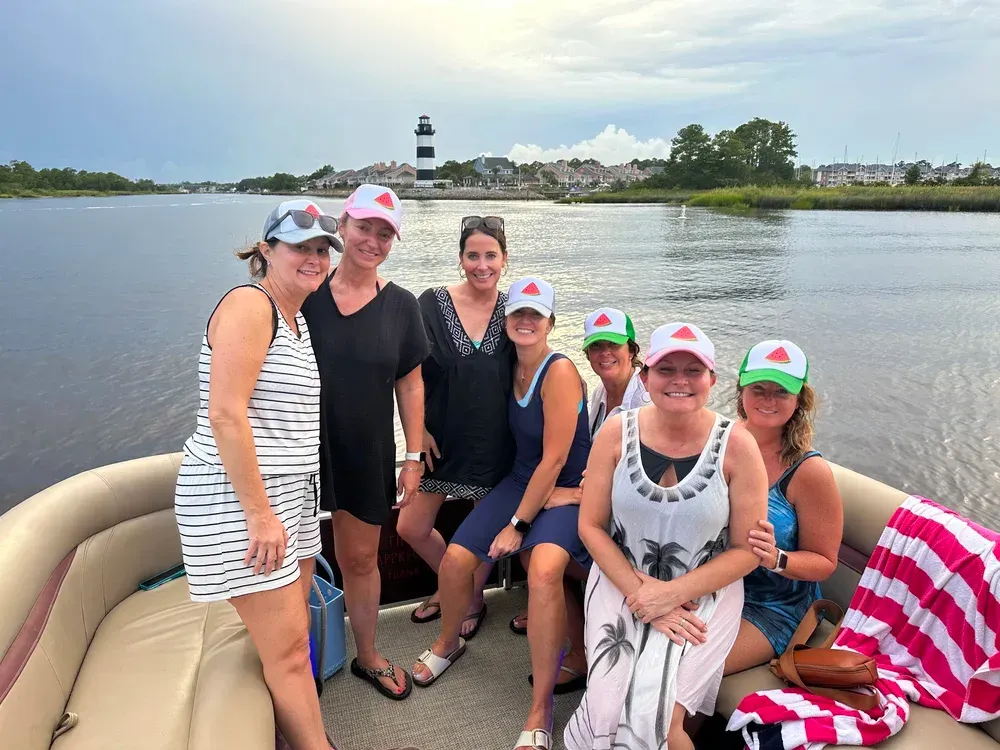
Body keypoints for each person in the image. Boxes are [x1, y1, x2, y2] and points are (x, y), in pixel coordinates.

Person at [173, 199, 340, 749]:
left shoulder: (295, 315)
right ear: (266, 250)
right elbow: (226, 414)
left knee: (292, 642)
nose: (314, 259)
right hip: (242, 505)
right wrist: (260, 515)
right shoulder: (251, 305)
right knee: (291, 652)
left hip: (285, 502)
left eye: (322, 249)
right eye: (300, 247)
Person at [565, 322, 768, 750]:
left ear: (712, 380)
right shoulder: (615, 433)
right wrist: (644, 596)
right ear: (645, 377)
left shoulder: (739, 446)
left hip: (704, 594)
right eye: (666, 369)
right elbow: (591, 526)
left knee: (655, 714)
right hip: (619, 582)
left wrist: (669, 594)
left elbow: (746, 551)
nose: (679, 381)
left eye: (693, 371)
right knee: (606, 706)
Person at [410, 277, 592, 750]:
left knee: (545, 570)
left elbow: (554, 460)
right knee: (454, 561)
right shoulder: (510, 365)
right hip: (518, 480)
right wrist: (423, 430)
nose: (526, 321)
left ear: (551, 322)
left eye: (536, 314)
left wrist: (517, 527)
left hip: (563, 488)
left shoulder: (559, 371)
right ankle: (449, 642)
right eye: (518, 314)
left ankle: (542, 708)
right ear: (506, 321)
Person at [300, 184, 429, 702]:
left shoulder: (400, 306)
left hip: (364, 449)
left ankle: (367, 655)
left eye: (384, 232)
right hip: (299, 452)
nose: (372, 240)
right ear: (342, 227)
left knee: (360, 561)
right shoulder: (304, 292)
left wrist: (414, 456)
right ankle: (298, 662)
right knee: (297, 562)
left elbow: (411, 383)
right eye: (363, 227)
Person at [398, 215, 516, 638]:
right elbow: (407, 373)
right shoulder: (430, 303)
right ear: (460, 259)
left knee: (480, 533)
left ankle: (469, 598)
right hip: (438, 440)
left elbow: (536, 367)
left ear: (504, 260)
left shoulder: (513, 310)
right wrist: (417, 433)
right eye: (473, 255)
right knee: (410, 527)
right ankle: (455, 583)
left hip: (495, 442)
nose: (481, 265)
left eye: (491, 255)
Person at [508, 306, 649, 636]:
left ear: (632, 349)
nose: (605, 354)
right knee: (532, 542)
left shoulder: (646, 407)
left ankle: (574, 642)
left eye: (614, 345)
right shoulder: (599, 395)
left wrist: (567, 495)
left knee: (541, 552)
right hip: (599, 508)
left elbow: (638, 486)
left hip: (630, 528)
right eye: (597, 346)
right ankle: (551, 608)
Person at [723, 340, 843, 675]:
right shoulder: (717, 442)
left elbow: (824, 563)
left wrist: (776, 558)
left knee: (690, 667)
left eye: (781, 391)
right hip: (714, 587)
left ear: (799, 401)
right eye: (758, 388)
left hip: (774, 606)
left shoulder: (808, 472)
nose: (767, 400)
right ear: (741, 391)